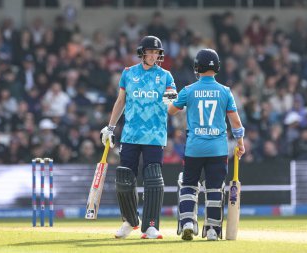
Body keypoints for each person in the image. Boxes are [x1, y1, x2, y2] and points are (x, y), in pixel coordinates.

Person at [100, 36, 177, 239]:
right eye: (150, 52)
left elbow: (171, 105)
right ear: (142, 53)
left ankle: (150, 225)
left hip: (154, 135)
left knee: (153, 178)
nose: (153, 55)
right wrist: (110, 127)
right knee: (125, 177)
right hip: (131, 135)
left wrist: (175, 99)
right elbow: (120, 101)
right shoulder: (128, 73)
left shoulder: (166, 76)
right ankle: (129, 221)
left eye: (156, 52)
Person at [167, 49, 245, 241]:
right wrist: (240, 144)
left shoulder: (188, 90)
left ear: (197, 67)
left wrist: (169, 99)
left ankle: (186, 223)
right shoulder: (225, 91)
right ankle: (211, 230)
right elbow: (236, 123)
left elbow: (171, 111)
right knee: (214, 188)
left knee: (188, 185)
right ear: (217, 67)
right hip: (218, 149)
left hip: (194, 148)